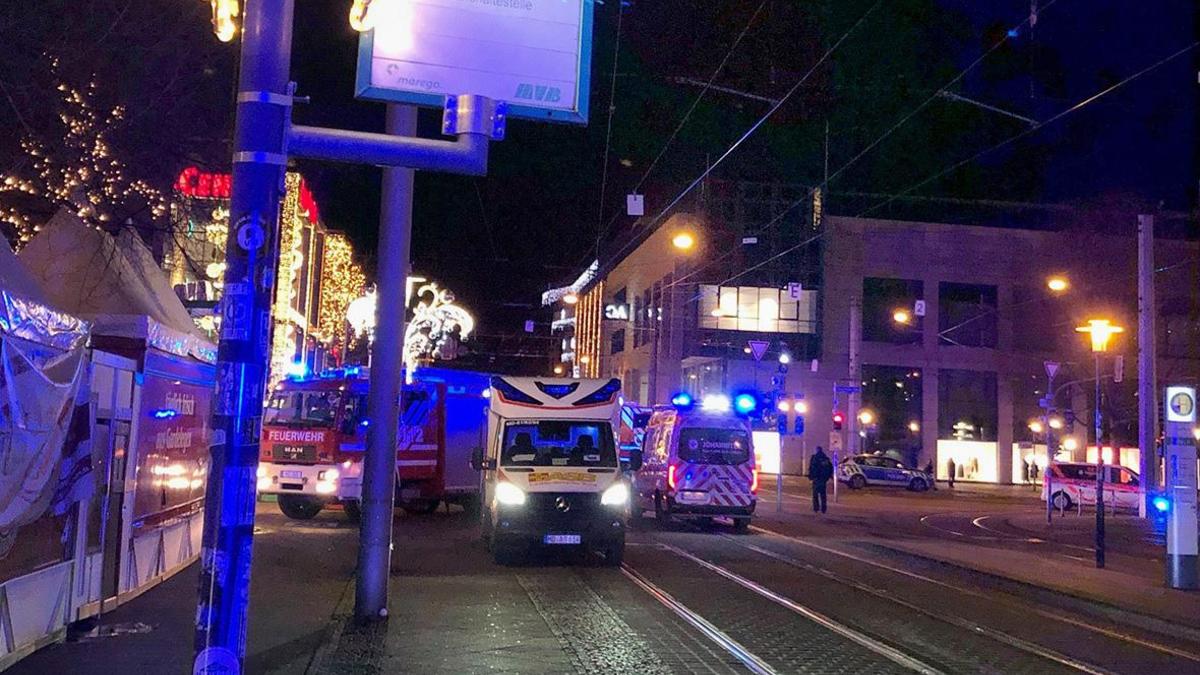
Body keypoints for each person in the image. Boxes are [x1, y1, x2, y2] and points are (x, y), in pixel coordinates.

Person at [807, 446, 834, 514]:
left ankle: (816, 508)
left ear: (816, 450)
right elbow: (830, 468)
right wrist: (828, 477)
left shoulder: (815, 458)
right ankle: (823, 509)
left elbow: (812, 468)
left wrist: (811, 476)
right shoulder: (825, 458)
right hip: (823, 479)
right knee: (823, 494)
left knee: (815, 494)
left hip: (816, 479)